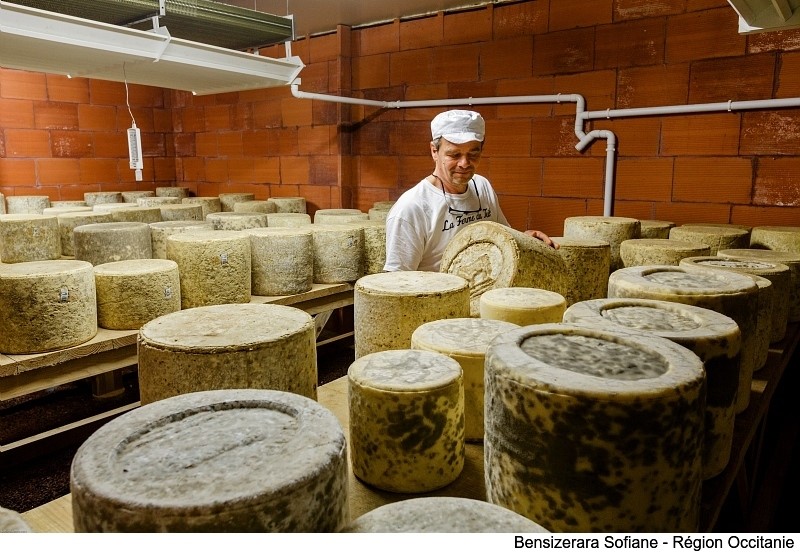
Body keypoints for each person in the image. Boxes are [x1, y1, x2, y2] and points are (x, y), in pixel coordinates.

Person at [383, 109, 558, 272]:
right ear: (434, 151)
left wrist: (526, 240)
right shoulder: (412, 208)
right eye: (454, 155)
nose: (464, 163)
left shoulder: (482, 186)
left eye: (473, 154)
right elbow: (397, 281)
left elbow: (502, 239)